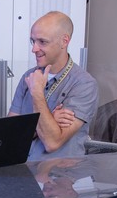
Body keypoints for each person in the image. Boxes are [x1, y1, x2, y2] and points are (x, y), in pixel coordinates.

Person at [8, 11, 99, 161]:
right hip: (22, 169)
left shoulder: (84, 84)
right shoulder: (28, 77)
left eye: (42, 42)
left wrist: (37, 92)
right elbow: (10, 134)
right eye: (33, 41)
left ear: (64, 41)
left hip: (58, 177)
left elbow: (52, 142)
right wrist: (49, 121)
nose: (34, 49)